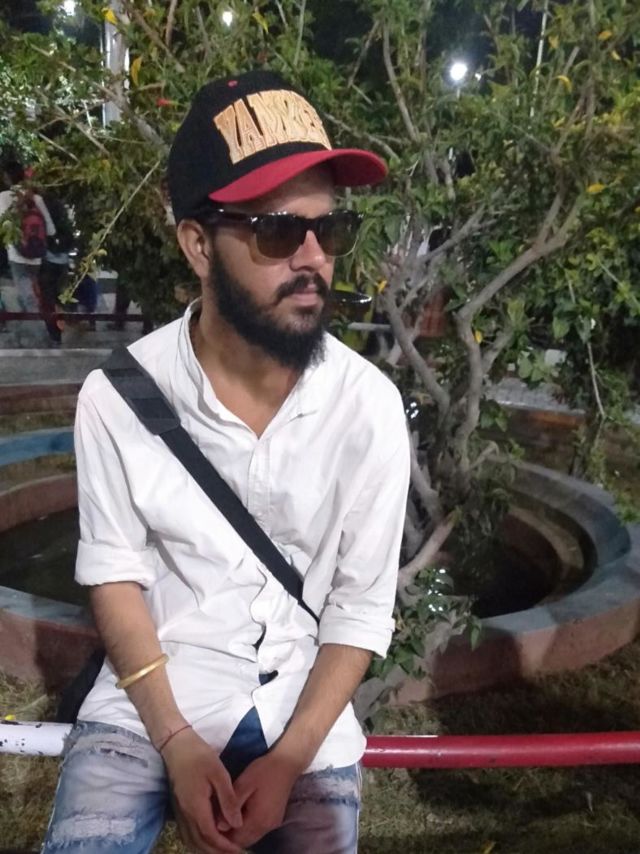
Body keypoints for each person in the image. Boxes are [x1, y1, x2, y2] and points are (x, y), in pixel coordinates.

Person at [42, 70, 410, 854]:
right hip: (151, 701)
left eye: (330, 229)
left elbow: (359, 607)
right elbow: (115, 577)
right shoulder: (118, 398)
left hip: (302, 715)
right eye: (277, 231)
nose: (312, 257)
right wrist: (176, 740)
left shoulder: (369, 409)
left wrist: (290, 761)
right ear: (199, 245)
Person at [0, 161, 56, 341]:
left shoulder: (3, 197)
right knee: (31, 294)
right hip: (37, 256)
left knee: (28, 297)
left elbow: (3, 227)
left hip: (16, 256)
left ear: (7, 178)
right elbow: (51, 230)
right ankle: (31, 331)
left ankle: (40, 337)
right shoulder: (35, 198)